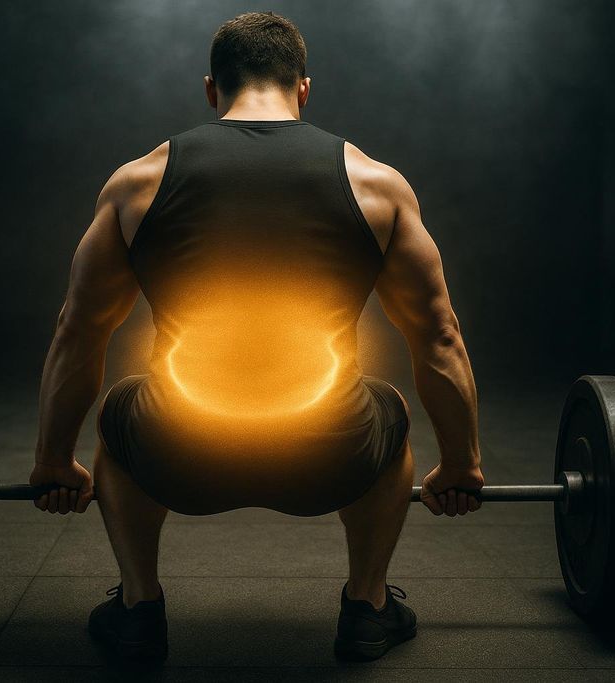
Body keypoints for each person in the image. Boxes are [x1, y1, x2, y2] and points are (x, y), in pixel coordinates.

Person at [28, 11, 483, 663]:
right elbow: (439, 336)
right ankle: (367, 606)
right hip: (329, 455)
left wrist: (51, 461)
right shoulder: (377, 183)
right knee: (391, 410)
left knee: (122, 408)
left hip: (179, 452)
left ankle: (137, 606)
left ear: (211, 89)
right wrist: (463, 464)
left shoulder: (137, 182)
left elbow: (79, 329)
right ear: (304, 88)